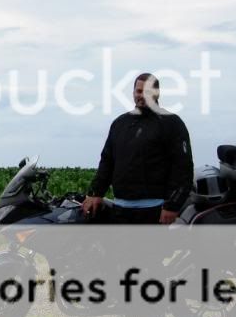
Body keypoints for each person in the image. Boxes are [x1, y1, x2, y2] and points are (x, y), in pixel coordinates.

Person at [82, 73, 193, 225]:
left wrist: (172, 206)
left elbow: (183, 169)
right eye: (139, 91)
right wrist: (96, 193)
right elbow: (107, 161)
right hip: (120, 210)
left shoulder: (172, 123)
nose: (142, 95)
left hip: (155, 211)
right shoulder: (120, 123)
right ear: (133, 92)